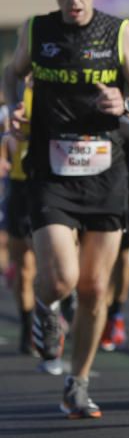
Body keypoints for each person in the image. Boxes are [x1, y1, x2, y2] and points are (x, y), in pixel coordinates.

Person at [2, 0, 129, 418]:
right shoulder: (37, 29)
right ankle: (48, 312)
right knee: (63, 277)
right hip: (51, 172)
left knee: (93, 288)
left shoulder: (118, 32)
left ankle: (79, 381)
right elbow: (13, 72)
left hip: (106, 173)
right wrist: (13, 106)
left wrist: (127, 106)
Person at [98, 116, 129, 352]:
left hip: (127, 190)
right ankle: (97, 312)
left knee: (122, 255)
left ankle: (115, 313)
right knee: (98, 257)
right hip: (95, 186)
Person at [4, 76, 35, 357]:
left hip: (55, 183)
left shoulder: (68, 85)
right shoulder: (14, 96)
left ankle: (55, 313)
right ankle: (28, 327)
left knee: (56, 266)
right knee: (24, 268)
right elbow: (5, 137)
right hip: (20, 183)